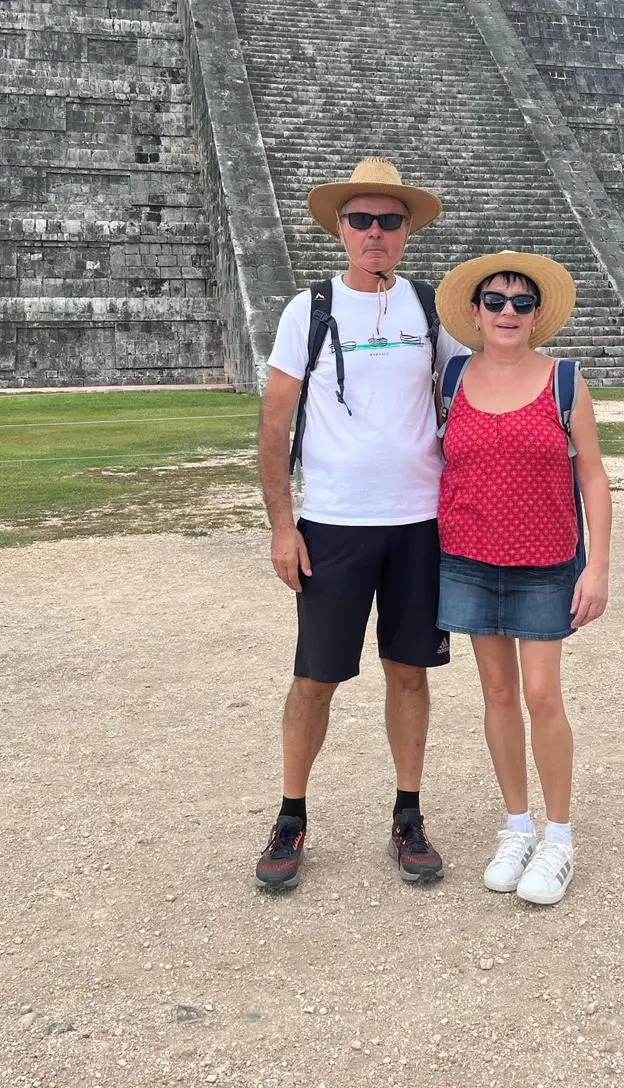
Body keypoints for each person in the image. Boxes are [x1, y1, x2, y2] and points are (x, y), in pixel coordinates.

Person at [254, 159, 467, 891]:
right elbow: (273, 427)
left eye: (390, 221)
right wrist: (283, 527)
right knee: (315, 677)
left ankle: (408, 813)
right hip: (335, 522)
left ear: (407, 232)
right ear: (340, 229)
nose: (375, 233)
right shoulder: (307, 310)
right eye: (361, 220)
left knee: (409, 672)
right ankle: (291, 815)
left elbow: (474, 390)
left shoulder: (432, 310)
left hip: (418, 522)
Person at [433, 250, 611, 906]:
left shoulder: (564, 380)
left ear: (537, 315)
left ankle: (558, 837)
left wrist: (598, 566)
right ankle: (517, 827)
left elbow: (593, 474)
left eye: (522, 302)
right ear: (475, 312)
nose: (508, 311)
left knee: (542, 695)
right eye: (495, 300)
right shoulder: (452, 378)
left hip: (545, 562)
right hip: (470, 558)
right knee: (498, 693)